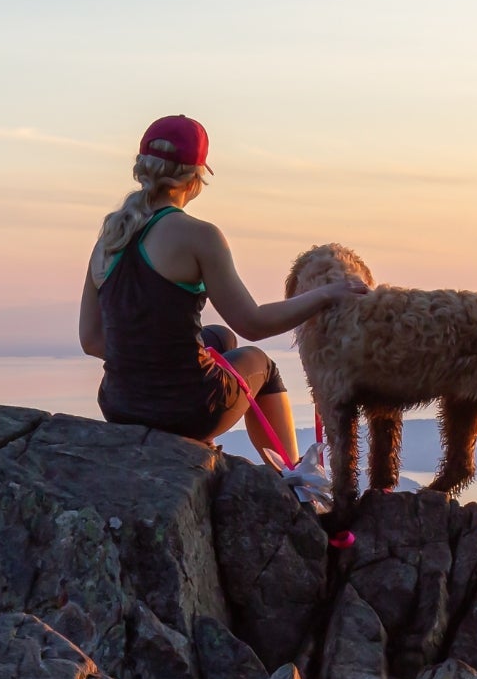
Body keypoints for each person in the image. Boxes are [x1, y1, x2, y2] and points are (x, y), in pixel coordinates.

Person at [79, 114, 368, 461]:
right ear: (196, 177)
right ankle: (292, 479)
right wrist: (325, 295)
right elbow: (253, 324)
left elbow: (92, 340)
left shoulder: (109, 238)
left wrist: (146, 362)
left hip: (119, 405)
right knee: (262, 364)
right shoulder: (199, 236)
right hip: (187, 411)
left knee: (221, 339)